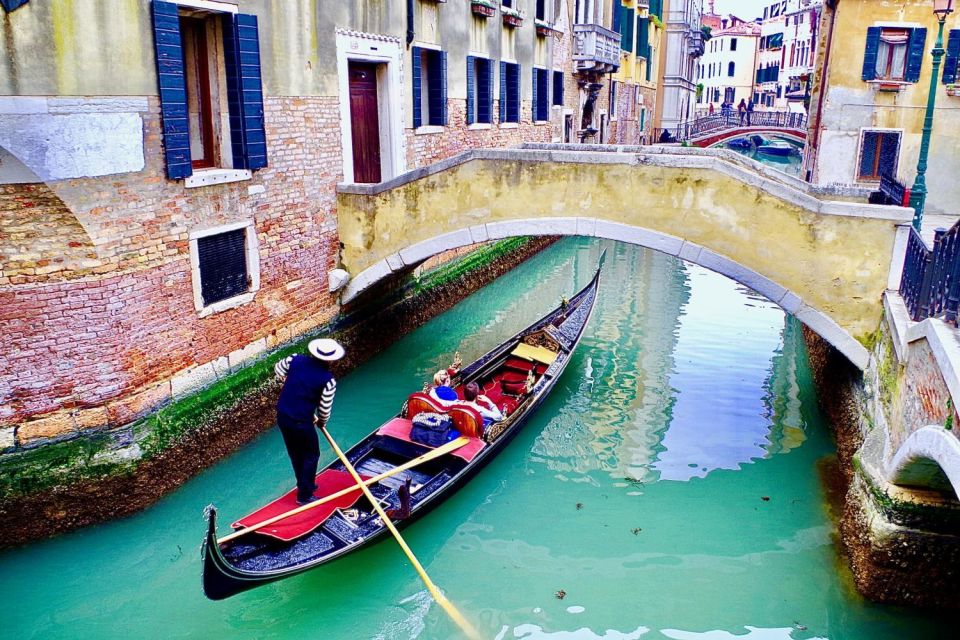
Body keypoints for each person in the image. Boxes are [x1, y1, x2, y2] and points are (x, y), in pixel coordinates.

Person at [274, 338, 344, 504]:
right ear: (331, 359)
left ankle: (305, 485)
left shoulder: (295, 359)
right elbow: (324, 409)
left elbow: (278, 368)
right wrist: (321, 422)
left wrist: (286, 379)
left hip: (282, 416)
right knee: (311, 455)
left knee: (296, 454)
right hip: (300, 421)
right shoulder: (328, 380)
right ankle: (304, 495)